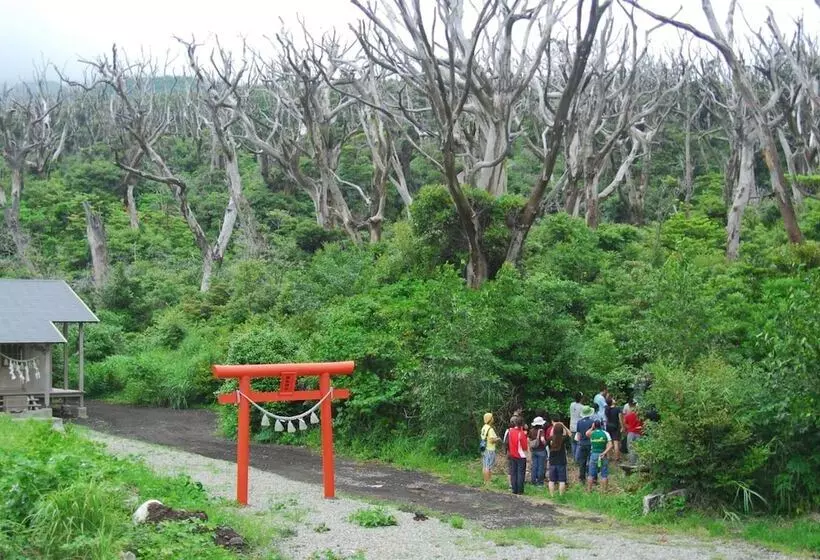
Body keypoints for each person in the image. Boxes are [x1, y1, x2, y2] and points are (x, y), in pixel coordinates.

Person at [586, 420, 612, 492]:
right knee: (604, 474)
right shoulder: (606, 433)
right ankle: (604, 490)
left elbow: (586, 433)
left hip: (594, 454)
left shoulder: (592, 433)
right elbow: (610, 445)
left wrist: (592, 427)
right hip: (603, 454)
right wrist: (604, 452)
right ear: (601, 425)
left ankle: (589, 490)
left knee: (591, 474)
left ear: (594, 425)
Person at [548, 415, 569, 497]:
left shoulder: (550, 439)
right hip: (561, 461)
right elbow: (570, 434)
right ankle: (561, 496)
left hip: (552, 461)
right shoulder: (563, 439)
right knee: (562, 480)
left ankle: (552, 495)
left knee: (551, 480)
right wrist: (563, 425)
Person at [507, 416, 528, 495]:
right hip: (521, 455)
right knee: (520, 473)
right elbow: (525, 446)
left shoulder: (511, 431)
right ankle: (520, 490)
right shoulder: (521, 433)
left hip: (513, 454)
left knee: (513, 472)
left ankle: (514, 489)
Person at [574, 405, 595, 482]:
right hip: (590, 443)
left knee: (582, 461)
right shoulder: (592, 422)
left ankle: (582, 478)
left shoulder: (579, 422)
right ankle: (592, 476)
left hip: (582, 443)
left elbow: (578, 434)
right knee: (591, 461)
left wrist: (579, 442)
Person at [480, 412, 501, 484]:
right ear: (490, 419)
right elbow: (491, 440)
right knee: (488, 466)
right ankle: (488, 481)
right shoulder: (490, 429)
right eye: (492, 417)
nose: (493, 419)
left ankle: (485, 481)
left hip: (484, 448)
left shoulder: (484, 427)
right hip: (490, 449)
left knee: (485, 465)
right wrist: (498, 439)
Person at [528, 416, 548, 486]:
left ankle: (533, 481)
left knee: (534, 466)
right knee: (541, 467)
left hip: (534, 450)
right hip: (541, 450)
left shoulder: (531, 430)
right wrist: (546, 444)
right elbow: (542, 440)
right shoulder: (541, 431)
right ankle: (540, 482)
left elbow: (529, 439)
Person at [604, 396, 623, 462]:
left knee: (609, 441)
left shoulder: (606, 409)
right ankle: (617, 458)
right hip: (615, 426)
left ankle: (609, 457)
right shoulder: (617, 409)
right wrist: (622, 427)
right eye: (613, 399)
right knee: (616, 442)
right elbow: (620, 419)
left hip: (608, 426)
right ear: (612, 402)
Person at [568, 392, 584, 458]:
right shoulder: (582, 407)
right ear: (581, 398)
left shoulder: (572, 405)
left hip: (572, 426)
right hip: (578, 427)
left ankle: (574, 456)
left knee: (573, 443)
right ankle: (576, 458)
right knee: (578, 443)